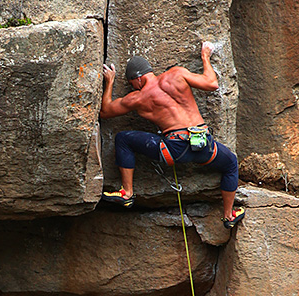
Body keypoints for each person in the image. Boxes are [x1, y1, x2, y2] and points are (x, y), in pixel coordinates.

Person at [99, 42, 245, 229]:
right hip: (204, 145)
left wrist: (110, 81)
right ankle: (228, 215)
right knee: (231, 162)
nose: (133, 88)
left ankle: (127, 192)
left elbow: (106, 111)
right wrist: (205, 57)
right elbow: (212, 83)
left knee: (123, 139)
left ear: (138, 78)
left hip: (174, 150)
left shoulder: (139, 98)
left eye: (132, 84)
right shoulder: (177, 74)